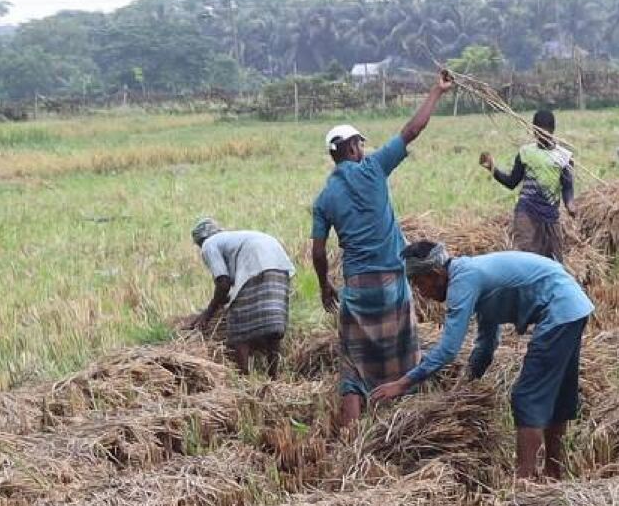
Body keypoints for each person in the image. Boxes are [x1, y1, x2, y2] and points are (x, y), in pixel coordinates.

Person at [370, 242, 594, 480]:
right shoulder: (472, 278)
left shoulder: (464, 281)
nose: (420, 292)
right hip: (572, 306)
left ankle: (524, 481)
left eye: (419, 283)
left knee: (527, 396)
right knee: (557, 395)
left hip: (560, 309)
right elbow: (486, 345)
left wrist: (403, 383)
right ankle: (552, 472)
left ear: (435, 275)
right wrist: (466, 384)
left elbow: (448, 349)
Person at [311, 70, 454, 428]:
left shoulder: (325, 197)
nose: (364, 149)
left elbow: (317, 251)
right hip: (392, 283)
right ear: (354, 147)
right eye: (361, 144)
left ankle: (351, 443)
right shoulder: (374, 169)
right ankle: (407, 426)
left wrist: (324, 285)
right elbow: (412, 130)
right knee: (406, 355)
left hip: (357, 290)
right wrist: (437, 91)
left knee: (353, 367)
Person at [185, 218, 295, 377]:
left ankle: (244, 378)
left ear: (200, 241)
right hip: (279, 264)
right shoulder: (232, 238)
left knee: (238, 331)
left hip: (255, 265)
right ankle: (273, 378)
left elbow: (223, 283)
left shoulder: (208, 245)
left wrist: (206, 315)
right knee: (273, 330)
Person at [478, 110, 575, 261]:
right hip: (526, 211)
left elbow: (567, 186)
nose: (542, 136)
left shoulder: (564, 156)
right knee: (527, 256)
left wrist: (570, 204)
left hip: (550, 214)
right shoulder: (525, 152)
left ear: (553, 131)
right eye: (538, 132)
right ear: (533, 131)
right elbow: (512, 182)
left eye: (546, 132)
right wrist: (492, 168)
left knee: (555, 260)